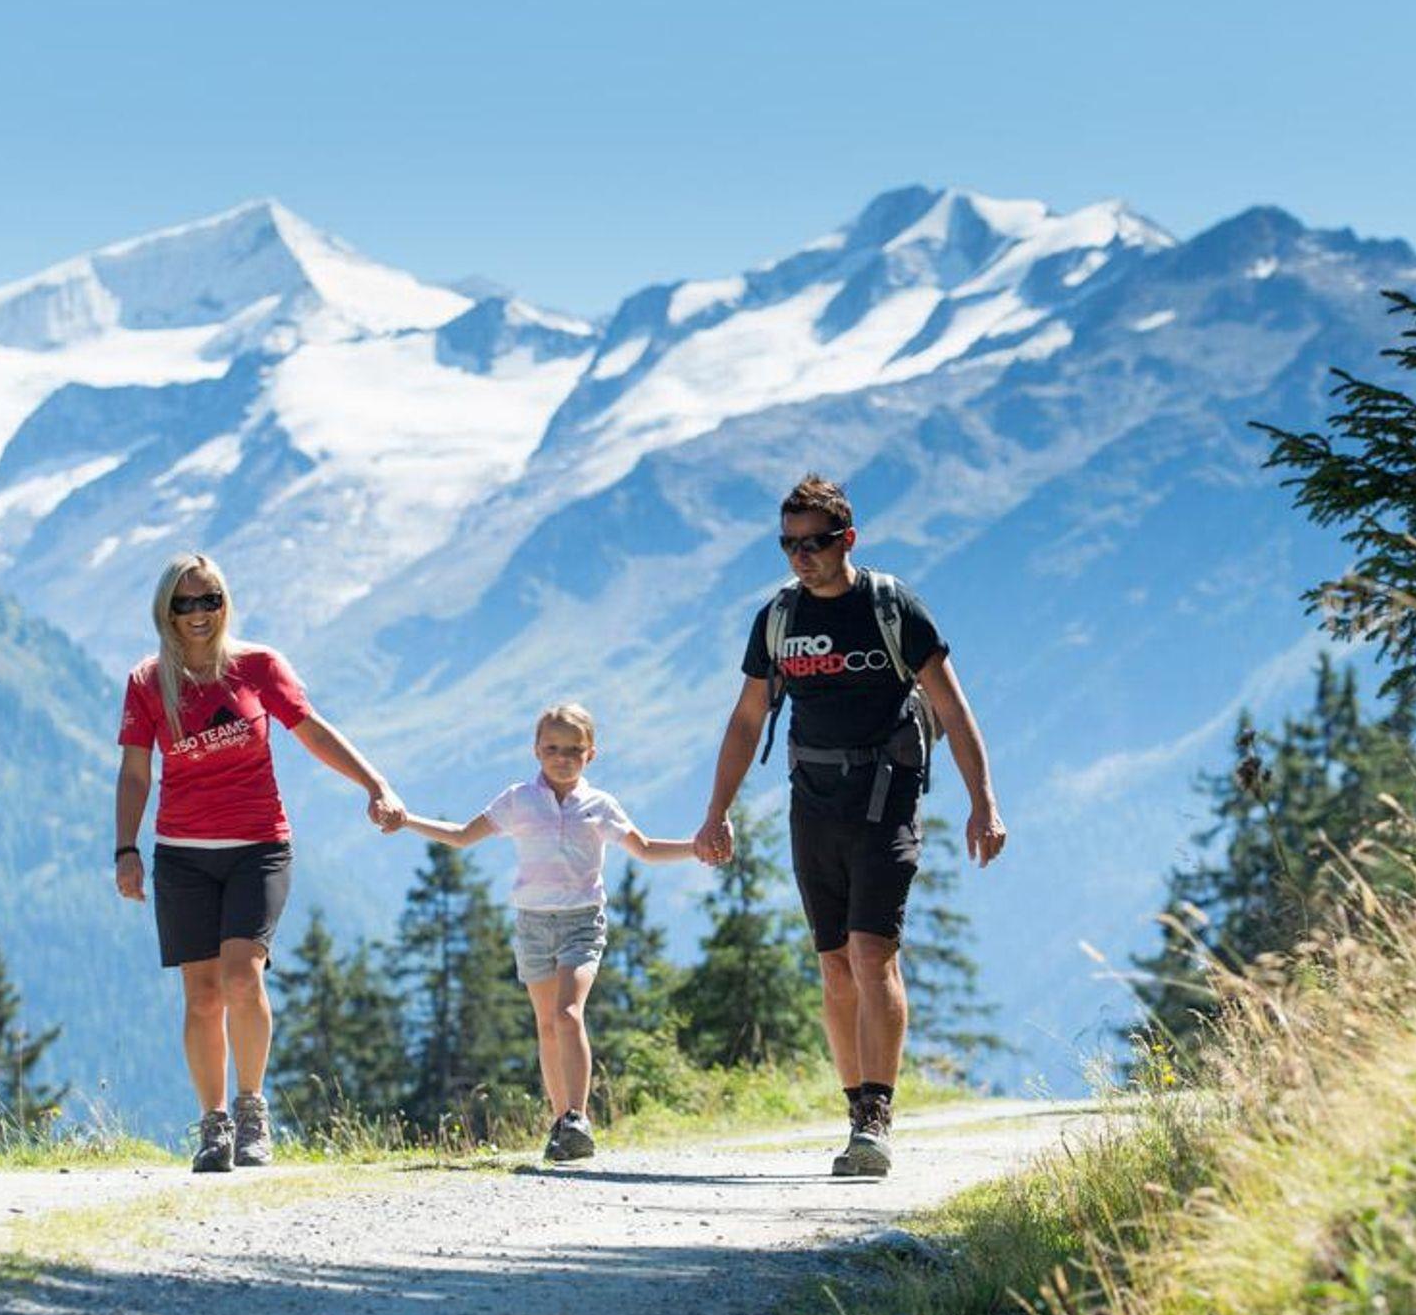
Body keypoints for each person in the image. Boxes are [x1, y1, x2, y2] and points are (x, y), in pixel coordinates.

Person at [692, 474, 1007, 1178]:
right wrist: (717, 812)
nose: (801, 556)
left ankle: (876, 1117)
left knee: (872, 953)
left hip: (886, 796)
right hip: (812, 802)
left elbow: (953, 709)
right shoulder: (778, 619)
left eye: (815, 543)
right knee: (834, 963)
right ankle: (854, 1107)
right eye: (789, 544)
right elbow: (747, 720)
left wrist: (983, 801)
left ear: (848, 539)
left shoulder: (893, 607)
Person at [114, 552, 406, 1173]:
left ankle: (252, 1113)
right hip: (183, 855)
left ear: (226, 603)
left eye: (210, 599)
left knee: (243, 977)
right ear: (166, 611)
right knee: (201, 995)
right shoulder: (148, 681)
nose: (199, 613)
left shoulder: (258, 666)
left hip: (259, 847)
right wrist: (126, 849)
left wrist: (375, 784)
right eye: (185, 603)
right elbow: (136, 771)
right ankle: (213, 1126)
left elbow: (313, 730)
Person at [388, 702, 702, 1161]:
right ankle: (561, 1125)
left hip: (581, 922)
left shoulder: (600, 806)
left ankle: (578, 1118)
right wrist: (406, 819)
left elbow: (647, 849)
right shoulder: (519, 800)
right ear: (536, 750)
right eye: (553, 748)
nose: (563, 758)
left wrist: (698, 848)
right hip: (532, 924)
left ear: (591, 753)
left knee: (569, 1014)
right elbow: (460, 835)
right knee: (547, 1026)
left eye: (574, 750)